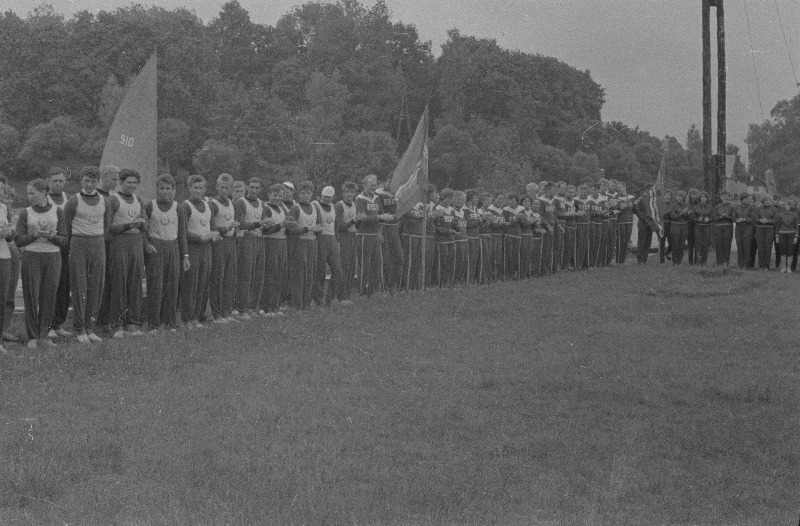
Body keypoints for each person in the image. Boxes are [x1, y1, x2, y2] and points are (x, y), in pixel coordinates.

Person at [16, 178, 67, 348]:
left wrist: (53, 237)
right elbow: (18, 240)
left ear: (44, 192)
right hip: (32, 256)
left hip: (52, 257)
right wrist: (34, 235)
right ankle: (32, 336)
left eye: (33, 193)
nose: (29, 196)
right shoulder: (26, 213)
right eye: (28, 193)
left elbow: (64, 239)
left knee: (49, 296)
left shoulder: (58, 211)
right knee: (31, 296)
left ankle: (43, 335)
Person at [64, 166, 112, 343]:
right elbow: (66, 227)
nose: (90, 184)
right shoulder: (73, 201)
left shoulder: (105, 201)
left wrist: (97, 238)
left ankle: (90, 327)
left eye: (93, 181)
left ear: (98, 182)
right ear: (81, 181)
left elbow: (107, 226)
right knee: (79, 285)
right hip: (79, 242)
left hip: (97, 242)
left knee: (96, 285)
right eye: (87, 181)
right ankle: (79, 328)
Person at [143, 174, 188, 331]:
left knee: (172, 285)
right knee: (155, 285)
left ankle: (170, 321)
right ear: (157, 190)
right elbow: (143, 229)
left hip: (173, 247)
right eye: (161, 188)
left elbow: (182, 233)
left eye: (168, 188)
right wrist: (147, 244)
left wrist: (185, 256)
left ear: (174, 190)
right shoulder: (150, 206)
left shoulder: (179, 207)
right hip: (156, 247)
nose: (165, 192)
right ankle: (153, 323)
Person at [180, 175, 218, 328]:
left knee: (203, 281)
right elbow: (182, 232)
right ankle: (188, 318)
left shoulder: (208, 205)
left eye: (200, 188)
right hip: (193, 248)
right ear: (189, 188)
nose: (197, 190)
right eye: (194, 187)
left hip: (206, 249)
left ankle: (200, 313)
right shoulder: (185, 205)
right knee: (191, 282)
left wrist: (214, 235)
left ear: (205, 189)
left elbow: (213, 228)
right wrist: (200, 237)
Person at [208, 173, 239, 323]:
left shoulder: (232, 203)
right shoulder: (212, 204)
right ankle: (217, 313)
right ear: (216, 187)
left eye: (227, 188)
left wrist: (234, 230)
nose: (224, 190)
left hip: (230, 243)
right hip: (218, 243)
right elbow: (210, 226)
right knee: (217, 278)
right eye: (221, 187)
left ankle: (227, 311)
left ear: (232, 189)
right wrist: (225, 228)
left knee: (229, 278)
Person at [46, 167, 72, 338]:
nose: (57, 184)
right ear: (48, 182)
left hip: (65, 246)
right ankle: (48, 325)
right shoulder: (43, 198)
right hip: (48, 247)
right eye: (54, 181)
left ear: (65, 182)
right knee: (49, 286)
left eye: (61, 181)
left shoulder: (69, 199)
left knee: (64, 286)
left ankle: (59, 324)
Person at [287, 181, 322, 309]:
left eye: (308, 193)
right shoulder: (295, 208)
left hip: (312, 243)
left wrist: (317, 230)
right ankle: (297, 303)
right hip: (299, 243)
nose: (305, 196)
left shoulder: (315, 207)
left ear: (312, 194)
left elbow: (318, 226)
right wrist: (307, 228)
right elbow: (291, 229)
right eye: (302, 193)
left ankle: (307, 302)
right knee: (299, 274)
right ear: (298, 194)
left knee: (310, 273)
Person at [234, 177, 265, 317]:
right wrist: (258, 224)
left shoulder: (261, 203)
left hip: (259, 239)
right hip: (246, 239)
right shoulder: (241, 202)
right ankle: (241, 308)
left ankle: (252, 306)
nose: (253, 190)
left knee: (257, 274)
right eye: (251, 187)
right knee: (246, 274)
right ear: (247, 187)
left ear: (260, 189)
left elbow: (263, 224)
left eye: (256, 188)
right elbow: (240, 223)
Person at [355, 174, 390, 296]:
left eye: (375, 185)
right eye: (371, 185)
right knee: (364, 263)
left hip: (375, 235)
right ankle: (362, 291)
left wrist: (380, 230)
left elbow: (380, 214)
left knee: (377, 263)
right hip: (364, 235)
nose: (373, 188)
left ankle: (374, 290)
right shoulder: (359, 199)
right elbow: (362, 218)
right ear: (364, 185)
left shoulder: (376, 198)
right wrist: (379, 217)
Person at [312, 185, 344, 306]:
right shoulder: (316, 205)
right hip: (321, 238)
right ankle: (318, 300)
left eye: (329, 197)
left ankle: (329, 299)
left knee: (338, 272)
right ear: (320, 196)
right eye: (325, 197)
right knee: (319, 272)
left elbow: (335, 225)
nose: (327, 200)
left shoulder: (333, 207)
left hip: (331, 239)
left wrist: (337, 239)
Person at [261, 184, 289, 314]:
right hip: (270, 242)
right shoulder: (266, 208)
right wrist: (281, 225)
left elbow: (287, 226)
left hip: (282, 242)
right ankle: (266, 306)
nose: (277, 198)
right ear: (269, 194)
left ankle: (275, 305)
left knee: (280, 275)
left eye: (280, 196)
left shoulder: (283, 208)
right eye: (275, 195)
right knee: (270, 275)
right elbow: (266, 231)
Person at [376, 180, 403, 293]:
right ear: (387, 181)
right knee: (385, 260)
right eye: (391, 183)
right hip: (383, 227)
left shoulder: (399, 193)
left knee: (399, 257)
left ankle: (393, 284)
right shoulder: (378, 193)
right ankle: (383, 287)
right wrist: (378, 231)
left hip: (394, 227)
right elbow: (376, 213)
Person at [334, 182, 358, 299]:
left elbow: (358, 224)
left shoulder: (355, 204)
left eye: (351, 192)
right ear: (343, 193)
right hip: (344, 237)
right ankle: (341, 295)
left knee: (351, 266)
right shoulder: (339, 205)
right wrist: (353, 221)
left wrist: (359, 220)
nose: (349, 194)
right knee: (343, 266)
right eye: (347, 192)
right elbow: (340, 226)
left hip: (353, 236)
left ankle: (347, 294)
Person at [434, 188, 457, 287]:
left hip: (451, 240)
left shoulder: (451, 210)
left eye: (451, 198)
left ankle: (449, 283)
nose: (449, 200)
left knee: (450, 262)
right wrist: (449, 231)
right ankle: (439, 283)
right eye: (447, 198)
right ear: (442, 197)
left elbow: (454, 223)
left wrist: (458, 229)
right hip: (441, 240)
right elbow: (437, 227)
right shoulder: (437, 208)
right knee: (441, 262)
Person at [712, 190, 736, 267]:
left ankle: (726, 262)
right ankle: (719, 262)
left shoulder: (732, 206)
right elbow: (713, 217)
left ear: (730, 197)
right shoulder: (717, 206)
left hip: (728, 227)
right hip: (718, 227)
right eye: (723, 196)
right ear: (721, 197)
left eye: (727, 196)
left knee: (727, 244)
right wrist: (720, 217)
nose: (725, 197)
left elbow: (734, 218)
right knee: (719, 244)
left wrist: (727, 216)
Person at [502, 193, 524, 280]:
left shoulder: (521, 209)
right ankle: (508, 274)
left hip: (518, 234)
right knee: (509, 254)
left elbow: (523, 222)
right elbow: (506, 224)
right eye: (510, 200)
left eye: (514, 200)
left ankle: (515, 273)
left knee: (516, 254)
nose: (512, 202)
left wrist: (522, 219)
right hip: (509, 234)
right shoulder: (505, 210)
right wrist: (515, 219)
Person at [774, 197, 798, 273]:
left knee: (790, 252)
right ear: (783, 206)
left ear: (791, 206)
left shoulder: (795, 215)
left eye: (789, 205)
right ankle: (784, 267)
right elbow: (778, 226)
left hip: (792, 234)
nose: (787, 207)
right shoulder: (780, 214)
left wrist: (796, 236)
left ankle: (789, 268)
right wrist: (777, 236)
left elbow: (796, 226)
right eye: (786, 205)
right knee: (783, 251)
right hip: (782, 235)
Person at [755, 194, 778, 270]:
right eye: (766, 200)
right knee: (760, 247)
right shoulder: (758, 208)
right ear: (763, 201)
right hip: (760, 229)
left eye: (769, 200)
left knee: (768, 247)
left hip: (769, 229)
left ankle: (767, 266)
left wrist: (768, 221)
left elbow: (776, 220)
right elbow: (755, 218)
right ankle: (761, 265)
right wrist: (760, 220)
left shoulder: (774, 209)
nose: (767, 202)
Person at [464, 190, 482, 285]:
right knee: (469, 259)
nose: (477, 199)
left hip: (476, 236)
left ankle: (472, 279)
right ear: (471, 197)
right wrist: (480, 220)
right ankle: (466, 280)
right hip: (469, 236)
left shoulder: (475, 208)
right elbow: (468, 223)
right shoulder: (464, 209)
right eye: (476, 197)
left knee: (475, 259)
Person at [690, 191, 714, 266]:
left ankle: (704, 262)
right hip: (698, 227)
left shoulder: (710, 207)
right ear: (699, 198)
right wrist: (697, 219)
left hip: (706, 227)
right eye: (702, 197)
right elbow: (692, 218)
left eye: (705, 197)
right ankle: (698, 262)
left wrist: (709, 219)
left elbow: (713, 217)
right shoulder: (696, 207)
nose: (703, 199)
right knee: (698, 244)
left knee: (705, 244)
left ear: (707, 198)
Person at [666, 191, 690, 265]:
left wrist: (688, 214)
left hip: (684, 226)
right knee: (675, 244)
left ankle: (679, 262)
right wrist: (681, 213)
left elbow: (688, 218)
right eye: (677, 196)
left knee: (682, 244)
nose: (678, 198)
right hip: (675, 226)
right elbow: (672, 216)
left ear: (683, 197)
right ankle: (675, 262)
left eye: (680, 196)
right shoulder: (673, 206)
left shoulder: (687, 205)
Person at [734, 194, 756, 269]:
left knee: (746, 246)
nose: (747, 200)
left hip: (747, 228)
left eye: (747, 199)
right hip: (738, 228)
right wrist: (736, 220)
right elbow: (733, 217)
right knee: (739, 246)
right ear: (741, 200)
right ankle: (740, 264)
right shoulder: (736, 207)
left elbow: (753, 219)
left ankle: (745, 265)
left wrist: (743, 219)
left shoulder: (751, 208)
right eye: (745, 199)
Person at [452, 191, 469, 285]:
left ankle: (460, 280)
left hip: (465, 239)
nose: (460, 202)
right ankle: (454, 281)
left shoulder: (463, 211)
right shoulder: (451, 210)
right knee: (457, 261)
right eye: (458, 199)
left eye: (462, 200)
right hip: (457, 240)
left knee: (464, 261)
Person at [615, 182, 634, 264]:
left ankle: (623, 259)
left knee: (626, 240)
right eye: (618, 188)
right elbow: (617, 208)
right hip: (620, 221)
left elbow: (633, 207)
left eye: (620, 187)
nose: (619, 189)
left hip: (629, 221)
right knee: (620, 241)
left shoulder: (631, 197)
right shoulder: (616, 197)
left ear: (624, 187)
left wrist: (629, 205)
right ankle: (619, 260)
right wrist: (622, 206)